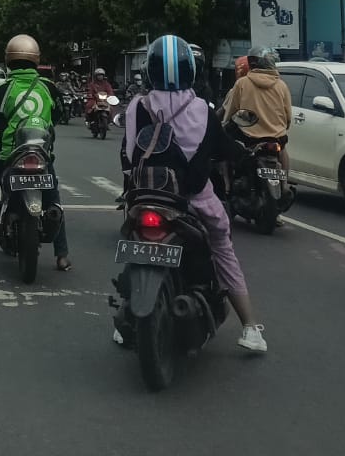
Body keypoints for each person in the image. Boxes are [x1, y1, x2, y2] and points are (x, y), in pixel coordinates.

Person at [116, 35, 266, 353]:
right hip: (193, 202)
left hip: (142, 198)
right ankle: (251, 328)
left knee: (134, 247)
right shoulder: (201, 109)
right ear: (191, 71)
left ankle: (124, 318)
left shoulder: (135, 108)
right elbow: (225, 149)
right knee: (222, 247)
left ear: (150, 70)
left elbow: (128, 156)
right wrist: (243, 156)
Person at [0, 34, 71, 272]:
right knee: (53, 199)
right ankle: (62, 256)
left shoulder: (4, 88)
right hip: (41, 153)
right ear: (36, 59)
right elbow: (59, 115)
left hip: (8, 153)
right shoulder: (48, 87)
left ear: (9, 59)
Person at [222, 48, 293, 180]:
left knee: (226, 148)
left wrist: (225, 123)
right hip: (276, 137)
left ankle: (227, 185)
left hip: (249, 137)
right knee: (283, 151)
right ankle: (285, 184)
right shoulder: (281, 85)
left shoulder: (242, 83)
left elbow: (231, 110)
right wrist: (281, 128)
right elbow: (288, 115)